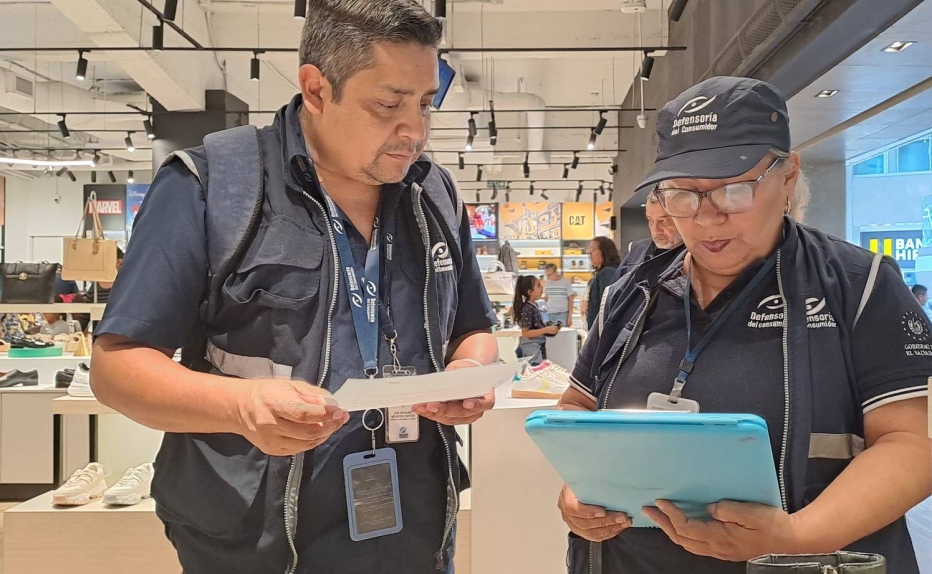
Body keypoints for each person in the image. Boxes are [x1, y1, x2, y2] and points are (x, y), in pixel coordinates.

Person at [90, 2, 498, 572]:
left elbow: (473, 327)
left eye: (427, 103)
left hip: (416, 531)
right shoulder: (214, 186)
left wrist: (468, 373)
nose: (415, 131)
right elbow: (117, 368)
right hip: (254, 542)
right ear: (315, 88)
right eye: (387, 104)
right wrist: (241, 405)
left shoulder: (434, 196)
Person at [557, 77, 932, 574]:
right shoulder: (636, 291)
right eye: (682, 194)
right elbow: (577, 408)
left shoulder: (858, 286)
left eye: (733, 190)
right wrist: (576, 489)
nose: (707, 217)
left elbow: (913, 442)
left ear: (787, 177)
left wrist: (798, 536)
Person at [618, 195, 683, 279]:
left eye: (663, 221)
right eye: (650, 220)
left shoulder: (698, 258)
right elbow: (616, 290)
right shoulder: (636, 252)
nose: (655, 230)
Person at [513, 275, 559, 365]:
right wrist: (545, 330)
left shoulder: (533, 306)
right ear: (530, 292)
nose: (542, 287)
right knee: (536, 371)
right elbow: (525, 332)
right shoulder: (527, 308)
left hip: (536, 345)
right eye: (538, 285)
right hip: (531, 348)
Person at [585, 236, 621, 328]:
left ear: (604, 251)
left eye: (593, 249)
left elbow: (607, 304)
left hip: (602, 328)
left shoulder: (608, 272)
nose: (589, 253)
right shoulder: (607, 271)